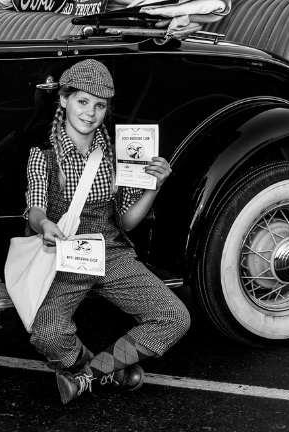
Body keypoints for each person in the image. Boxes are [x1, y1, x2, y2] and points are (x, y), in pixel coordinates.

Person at [25, 59, 190, 404]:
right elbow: (36, 208)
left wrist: (154, 186)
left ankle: (88, 375)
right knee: (48, 334)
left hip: (110, 249)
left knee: (174, 317)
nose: (90, 112)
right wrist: (44, 224)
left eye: (100, 105)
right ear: (64, 100)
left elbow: (127, 223)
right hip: (63, 251)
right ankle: (101, 368)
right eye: (83, 101)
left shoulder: (119, 155)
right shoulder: (43, 155)